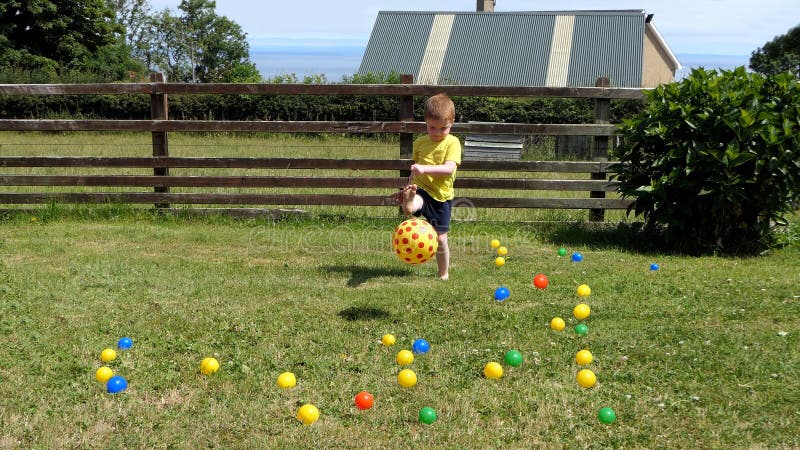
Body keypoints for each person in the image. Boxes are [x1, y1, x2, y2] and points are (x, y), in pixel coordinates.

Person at [394, 93, 462, 280]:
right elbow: (415, 171)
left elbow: (449, 170)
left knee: (440, 238)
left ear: (452, 123)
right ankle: (409, 202)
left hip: (441, 196)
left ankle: (443, 273)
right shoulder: (420, 143)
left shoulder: (453, 143)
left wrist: (425, 169)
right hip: (422, 188)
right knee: (415, 199)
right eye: (432, 127)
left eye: (443, 128)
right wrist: (407, 188)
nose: (437, 132)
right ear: (425, 122)